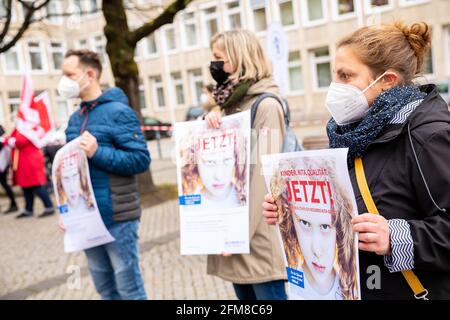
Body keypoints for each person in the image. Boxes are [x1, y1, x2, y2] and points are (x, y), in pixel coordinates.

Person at [263, 21, 450, 299]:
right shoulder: (352, 132)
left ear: (387, 81)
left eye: (345, 76)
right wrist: (292, 209)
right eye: (334, 75)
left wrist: (394, 236)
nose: (334, 86)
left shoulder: (428, 136)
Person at [59, 50, 151, 300]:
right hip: (85, 218)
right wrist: (66, 211)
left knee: (129, 290)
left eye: (69, 74)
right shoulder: (74, 119)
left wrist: (98, 152)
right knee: (105, 289)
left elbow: (140, 159)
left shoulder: (119, 112)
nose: (63, 81)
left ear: (90, 74)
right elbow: (70, 172)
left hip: (117, 217)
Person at [204, 30, 288, 300]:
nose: (213, 64)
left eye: (218, 57)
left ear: (238, 57)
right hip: (234, 235)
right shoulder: (230, 105)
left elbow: (264, 177)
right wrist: (210, 125)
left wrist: (237, 234)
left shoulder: (266, 106)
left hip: (256, 238)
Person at [270, 157, 358, 300]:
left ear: (341, 228)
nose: (317, 250)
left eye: (325, 226)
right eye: (305, 223)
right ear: (291, 223)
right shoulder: (290, 288)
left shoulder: (355, 289)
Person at [180, 119, 247, 209]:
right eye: (209, 162)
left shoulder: (245, 196)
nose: (219, 176)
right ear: (195, 162)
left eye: (227, 160)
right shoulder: (189, 204)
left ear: (236, 159)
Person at [2, 128, 54, 219]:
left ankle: (49, 206)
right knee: (26, 188)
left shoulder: (28, 129)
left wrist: (5, 140)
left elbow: (17, 142)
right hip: (24, 163)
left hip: (30, 162)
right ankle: (28, 209)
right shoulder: (22, 128)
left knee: (37, 186)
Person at [0, 125, 18, 214]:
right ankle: (13, 204)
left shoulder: (2, 141)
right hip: (3, 165)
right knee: (5, 185)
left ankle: (13, 204)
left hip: (2, 166)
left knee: (5, 185)